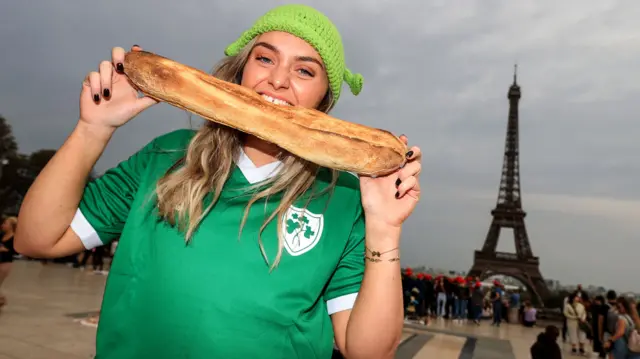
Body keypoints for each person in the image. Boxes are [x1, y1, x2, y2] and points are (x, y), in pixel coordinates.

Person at [14, 5, 422, 359]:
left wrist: (385, 229)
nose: (278, 80)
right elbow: (36, 240)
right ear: (241, 70)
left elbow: (367, 350)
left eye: (304, 70)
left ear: (324, 98)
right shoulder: (167, 156)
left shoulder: (344, 197)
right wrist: (92, 129)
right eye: (265, 59)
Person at [0, 216, 17, 309]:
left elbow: (16, 251)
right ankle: (1, 299)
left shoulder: (14, 238)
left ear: (11, 226)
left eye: (5, 223)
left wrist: (5, 250)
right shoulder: (1, 235)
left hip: (6, 263)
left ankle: (2, 299)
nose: (3, 225)